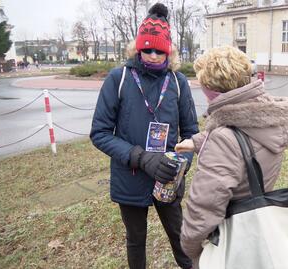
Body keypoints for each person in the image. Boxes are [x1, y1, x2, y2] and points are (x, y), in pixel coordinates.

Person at [90, 3, 198, 269]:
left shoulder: (177, 82)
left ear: (168, 51)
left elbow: (192, 134)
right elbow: (100, 133)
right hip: (131, 177)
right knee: (136, 241)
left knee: (181, 239)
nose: (151, 55)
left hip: (168, 180)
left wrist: (181, 165)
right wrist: (141, 157)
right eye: (146, 48)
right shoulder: (119, 78)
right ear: (137, 47)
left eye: (158, 50)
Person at [176, 46, 288, 267]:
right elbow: (243, 137)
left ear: (210, 89)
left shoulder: (224, 139)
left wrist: (189, 247)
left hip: (232, 237)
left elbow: (205, 208)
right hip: (257, 220)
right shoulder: (268, 117)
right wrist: (196, 142)